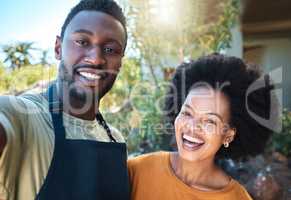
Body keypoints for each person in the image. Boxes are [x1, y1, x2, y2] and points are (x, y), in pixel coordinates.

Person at [0, 0, 130, 199]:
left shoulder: (115, 138)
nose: (95, 59)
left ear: (120, 63)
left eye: (110, 49)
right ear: (58, 48)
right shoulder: (22, 116)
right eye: (82, 42)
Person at [128, 54, 277, 200]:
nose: (192, 127)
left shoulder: (237, 197)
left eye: (210, 121)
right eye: (187, 112)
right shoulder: (136, 171)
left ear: (228, 135)